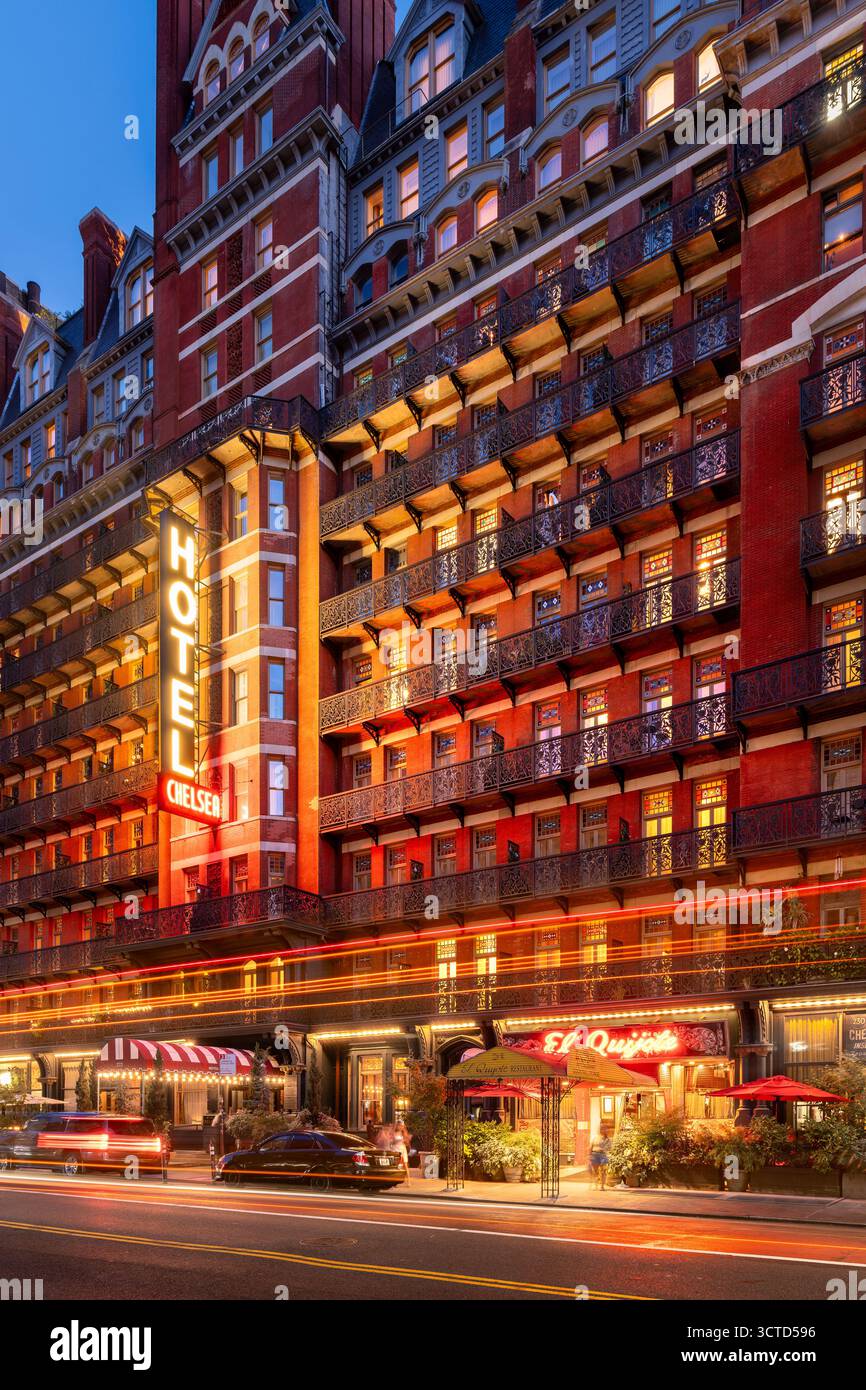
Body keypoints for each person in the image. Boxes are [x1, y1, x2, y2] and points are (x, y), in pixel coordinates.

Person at [588, 1126, 611, 1191]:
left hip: (603, 1155)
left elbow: (609, 1148)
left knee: (603, 1171)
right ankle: (596, 1185)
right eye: (603, 1129)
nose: (605, 1131)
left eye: (606, 1130)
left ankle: (602, 1186)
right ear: (600, 1130)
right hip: (594, 1154)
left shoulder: (608, 1139)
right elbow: (591, 1146)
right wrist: (589, 1155)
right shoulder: (595, 1137)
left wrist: (604, 1149)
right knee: (595, 1171)